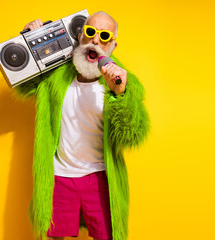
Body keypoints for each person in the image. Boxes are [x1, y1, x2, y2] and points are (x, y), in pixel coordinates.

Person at [16, 11, 150, 240]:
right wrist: (27, 41)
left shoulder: (123, 82)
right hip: (59, 177)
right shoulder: (54, 77)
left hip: (100, 177)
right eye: (90, 32)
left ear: (112, 46)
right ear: (80, 36)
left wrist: (120, 94)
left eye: (104, 36)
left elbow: (133, 134)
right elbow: (22, 84)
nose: (95, 40)